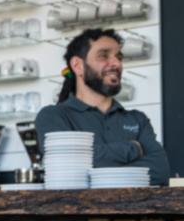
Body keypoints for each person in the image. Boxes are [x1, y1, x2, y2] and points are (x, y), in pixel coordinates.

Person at [35, 28, 170, 185]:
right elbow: (70, 174)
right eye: (104, 55)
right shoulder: (53, 116)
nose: (116, 63)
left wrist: (95, 167)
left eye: (119, 57)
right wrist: (132, 148)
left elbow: (160, 172)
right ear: (77, 65)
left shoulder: (138, 120)